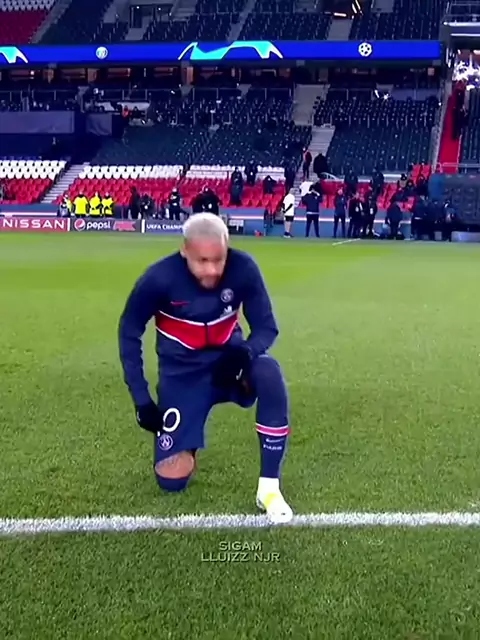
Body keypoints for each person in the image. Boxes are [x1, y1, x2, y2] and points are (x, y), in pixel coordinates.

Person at [118, 213, 292, 524]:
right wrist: (142, 401)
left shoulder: (244, 269)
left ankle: (269, 488)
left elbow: (267, 328)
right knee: (171, 481)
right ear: (184, 250)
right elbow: (129, 331)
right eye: (202, 261)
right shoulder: (159, 278)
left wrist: (244, 353)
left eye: (218, 259)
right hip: (181, 376)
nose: (212, 270)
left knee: (268, 371)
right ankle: (189, 436)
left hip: (229, 366)